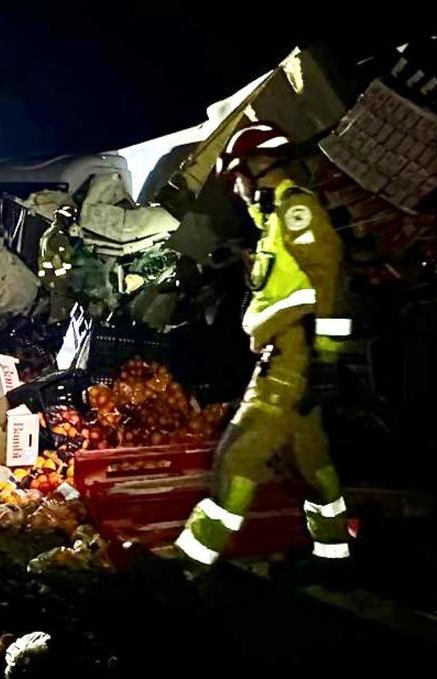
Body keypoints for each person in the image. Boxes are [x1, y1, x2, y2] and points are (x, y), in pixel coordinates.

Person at [175, 122, 353, 570]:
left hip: (294, 354)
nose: (235, 187)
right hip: (294, 352)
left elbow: (329, 281)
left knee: (238, 454)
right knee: (311, 461)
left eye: (237, 175)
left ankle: (190, 563)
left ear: (258, 166)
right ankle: (334, 555)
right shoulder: (275, 218)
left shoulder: (297, 211)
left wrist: (327, 358)